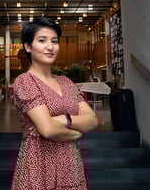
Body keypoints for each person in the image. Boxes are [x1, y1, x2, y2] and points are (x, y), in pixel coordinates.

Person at [11, 17, 98, 190]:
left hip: (70, 163)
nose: (50, 47)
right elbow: (48, 130)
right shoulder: (25, 81)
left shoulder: (65, 82)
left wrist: (65, 120)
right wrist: (76, 133)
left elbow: (92, 120)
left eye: (55, 41)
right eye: (42, 40)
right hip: (38, 162)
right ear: (28, 46)